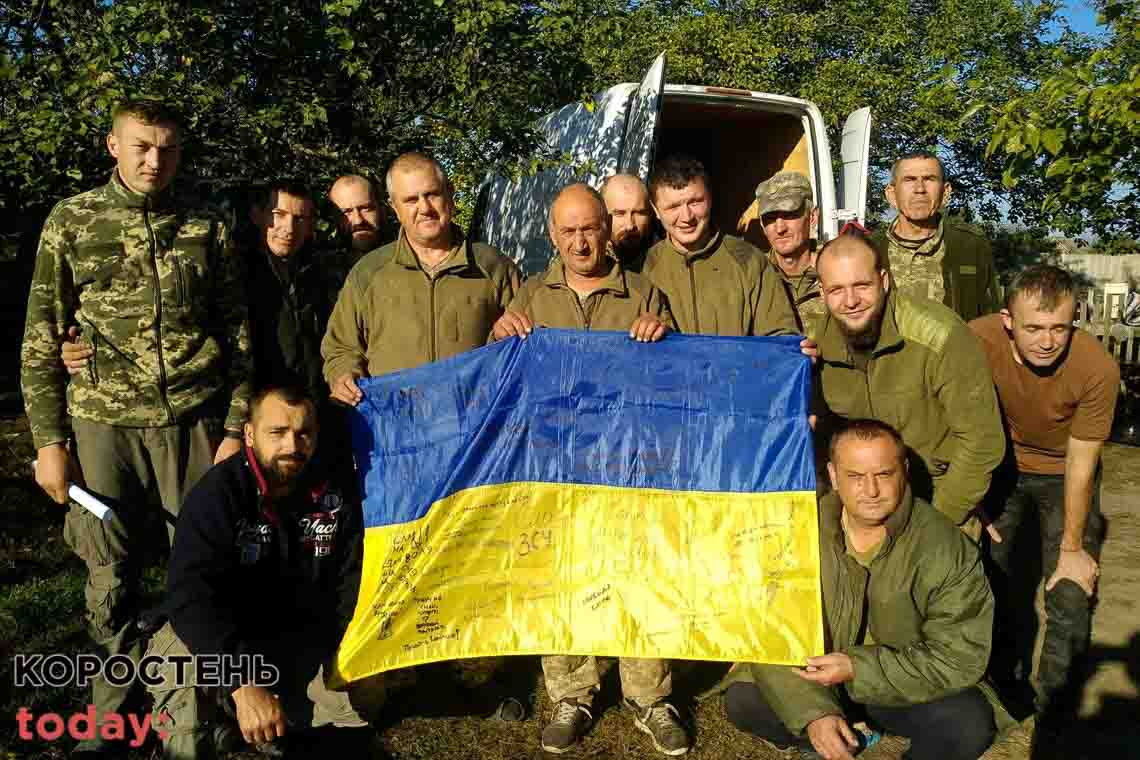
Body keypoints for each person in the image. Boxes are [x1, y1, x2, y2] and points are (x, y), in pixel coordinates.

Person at [21, 99, 252, 755]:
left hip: (193, 424)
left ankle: (193, 715)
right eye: (142, 146)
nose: (156, 161)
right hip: (102, 430)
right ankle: (114, 717)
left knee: (200, 568)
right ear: (112, 146)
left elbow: (238, 335)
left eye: (168, 148)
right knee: (110, 574)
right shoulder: (72, 221)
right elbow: (41, 339)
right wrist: (48, 443)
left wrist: (234, 426)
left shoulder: (207, 226)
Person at [491, 182, 686, 756]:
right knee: (563, 577)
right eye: (568, 231)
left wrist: (664, 337)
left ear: (607, 229)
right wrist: (499, 334)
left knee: (640, 577)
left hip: (631, 465)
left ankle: (651, 698)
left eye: (589, 228)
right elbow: (500, 378)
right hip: (556, 466)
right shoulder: (531, 296)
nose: (580, 241)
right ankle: (571, 693)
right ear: (553, 236)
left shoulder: (644, 292)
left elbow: (676, 375)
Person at [721, 419, 996, 760]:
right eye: (854, 476)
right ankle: (834, 738)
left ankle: (857, 730)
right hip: (814, 673)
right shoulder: (795, 530)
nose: (871, 490)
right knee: (743, 701)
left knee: (969, 723)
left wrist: (858, 668)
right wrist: (815, 714)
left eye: (883, 474)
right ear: (833, 476)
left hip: (896, 682)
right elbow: (768, 630)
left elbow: (958, 657)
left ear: (904, 472)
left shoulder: (946, 547)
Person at [146, 386, 381, 759]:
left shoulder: (336, 493)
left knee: (362, 699)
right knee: (183, 700)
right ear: (250, 435)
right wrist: (242, 682)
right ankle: (222, 716)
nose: (292, 445)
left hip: (297, 636)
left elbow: (350, 580)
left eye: (303, 433)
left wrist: (341, 646)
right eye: (277, 433)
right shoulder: (218, 494)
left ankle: (272, 721)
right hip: (224, 636)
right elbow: (190, 598)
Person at [971, 265, 1118, 733]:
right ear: (1007, 319)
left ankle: (1056, 706)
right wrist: (972, 499)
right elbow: (949, 421)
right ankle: (1002, 683)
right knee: (996, 575)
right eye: (1034, 327)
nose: (1048, 341)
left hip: (1063, 472)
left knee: (1069, 587)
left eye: (1060, 327)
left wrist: (1072, 548)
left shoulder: (1096, 367)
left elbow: (1082, 463)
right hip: (1002, 468)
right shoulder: (975, 342)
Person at [814, 233, 1004, 533]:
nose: (850, 301)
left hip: (936, 498)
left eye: (861, 286)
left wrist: (939, 520)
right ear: (823, 294)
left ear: (884, 280)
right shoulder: (816, 346)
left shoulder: (941, 337)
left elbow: (982, 442)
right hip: (861, 506)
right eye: (836, 289)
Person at [322, 152, 523, 404]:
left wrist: (505, 332)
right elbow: (340, 347)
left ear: (449, 194)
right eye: (410, 200)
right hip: (396, 428)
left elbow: (529, 338)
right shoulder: (368, 272)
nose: (424, 208)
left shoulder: (493, 266)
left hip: (478, 429)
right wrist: (344, 374)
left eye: (432, 194)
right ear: (394, 207)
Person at [641, 155, 800, 338]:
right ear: (656, 211)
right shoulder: (643, 268)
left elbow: (781, 339)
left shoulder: (750, 261)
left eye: (695, 202)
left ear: (710, 198)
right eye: (673, 207)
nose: (686, 217)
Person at [874, 152, 1000, 321]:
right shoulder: (868, 250)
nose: (920, 189)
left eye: (929, 179)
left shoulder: (971, 246)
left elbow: (992, 319)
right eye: (909, 180)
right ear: (891, 194)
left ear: (945, 192)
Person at [754, 171, 824, 339]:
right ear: (763, 225)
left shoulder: (840, 271)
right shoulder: (754, 277)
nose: (780, 228)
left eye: (789, 214)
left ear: (812, 216)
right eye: (770, 218)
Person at [600, 173, 657, 272]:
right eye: (619, 214)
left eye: (639, 213)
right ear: (602, 214)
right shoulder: (587, 257)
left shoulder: (665, 261)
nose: (630, 225)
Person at [329, 174, 385, 264]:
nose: (358, 220)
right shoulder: (322, 272)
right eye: (347, 212)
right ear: (335, 218)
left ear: (382, 209)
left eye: (366, 209)